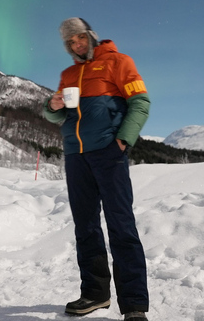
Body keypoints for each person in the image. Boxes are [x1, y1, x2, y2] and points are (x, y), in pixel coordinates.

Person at [43, 17, 151, 320]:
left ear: (90, 35)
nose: (76, 44)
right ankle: (95, 294)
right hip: (76, 156)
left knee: (121, 225)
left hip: (108, 153)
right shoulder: (68, 74)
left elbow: (140, 102)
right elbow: (57, 115)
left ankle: (134, 306)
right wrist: (51, 108)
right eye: (69, 42)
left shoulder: (118, 62)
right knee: (86, 227)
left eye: (79, 38)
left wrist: (123, 141)